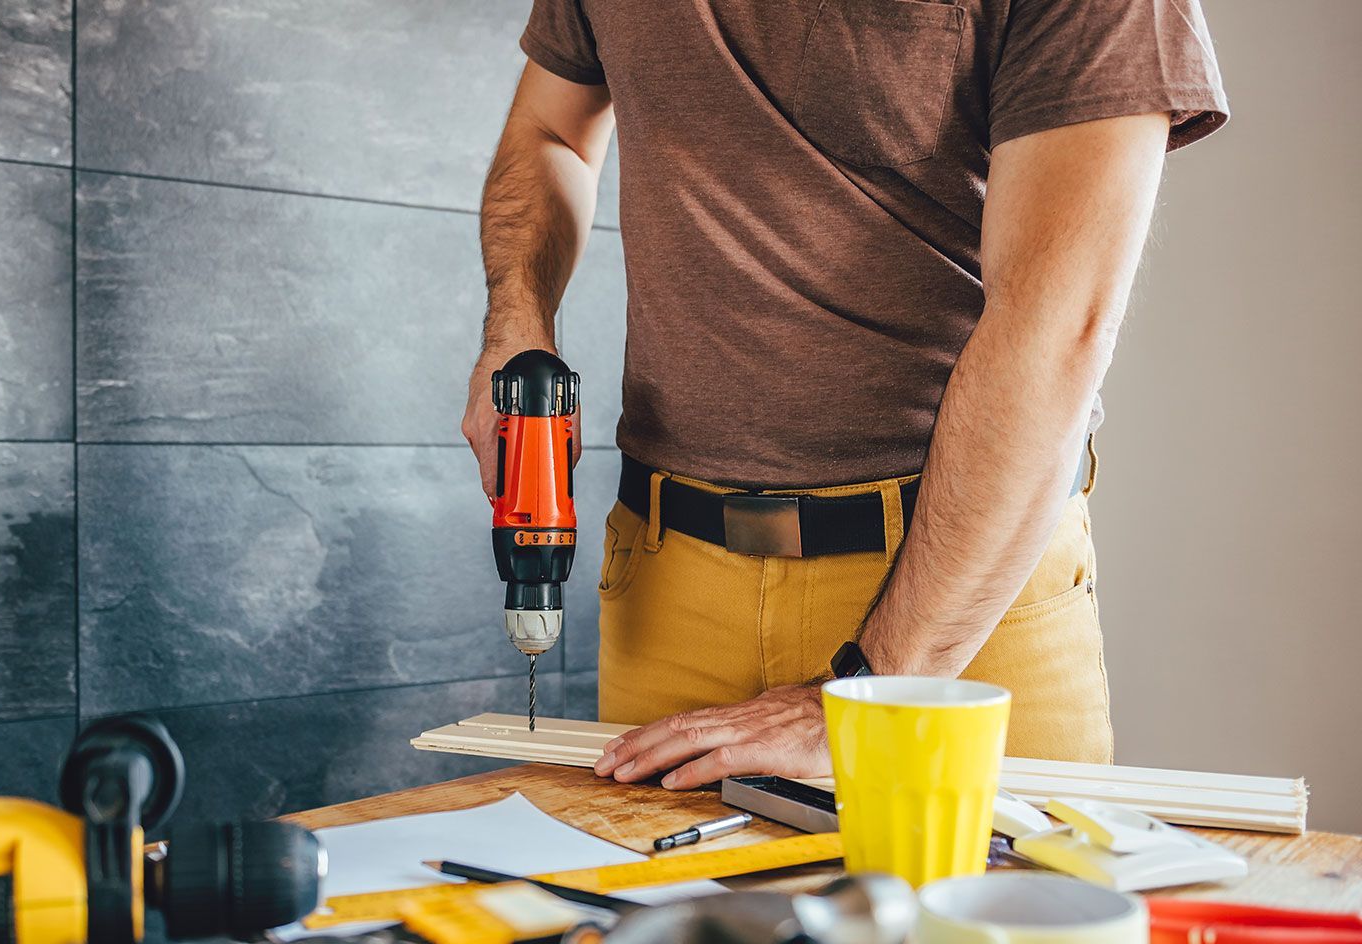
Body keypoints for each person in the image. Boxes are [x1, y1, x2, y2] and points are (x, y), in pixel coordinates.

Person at [460, 0, 1227, 789]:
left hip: (955, 601)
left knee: (974, 911)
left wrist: (876, 681)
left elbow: (1058, 327)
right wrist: (516, 322)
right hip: (671, 584)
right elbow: (551, 131)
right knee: (668, 909)